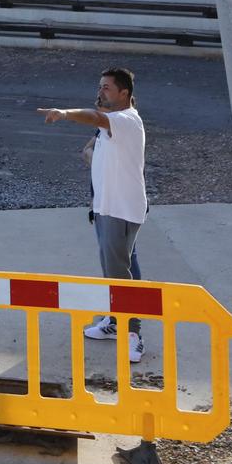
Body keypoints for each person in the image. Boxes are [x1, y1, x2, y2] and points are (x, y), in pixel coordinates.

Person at [40, 68, 148, 363]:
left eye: (107, 88)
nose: (101, 92)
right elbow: (93, 150)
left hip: (120, 210)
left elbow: (95, 117)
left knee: (119, 274)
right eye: (100, 87)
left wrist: (63, 113)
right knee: (116, 268)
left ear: (124, 93)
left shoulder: (124, 120)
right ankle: (116, 322)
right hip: (105, 208)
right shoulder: (110, 125)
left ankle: (133, 334)